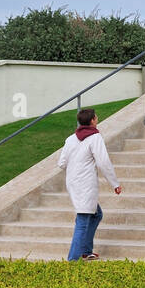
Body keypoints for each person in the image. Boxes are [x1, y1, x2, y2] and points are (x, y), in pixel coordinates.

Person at [57, 108, 122, 261]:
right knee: (83, 218)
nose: (97, 119)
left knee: (96, 214)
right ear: (92, 120)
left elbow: (61, 163)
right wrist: (114, 183)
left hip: (73, 183)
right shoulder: (95, 137)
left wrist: (77, 165)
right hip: (85, 184)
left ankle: (86, 250)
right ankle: (72, 260)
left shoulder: (71, 139)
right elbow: (103, 162)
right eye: (96, 117)